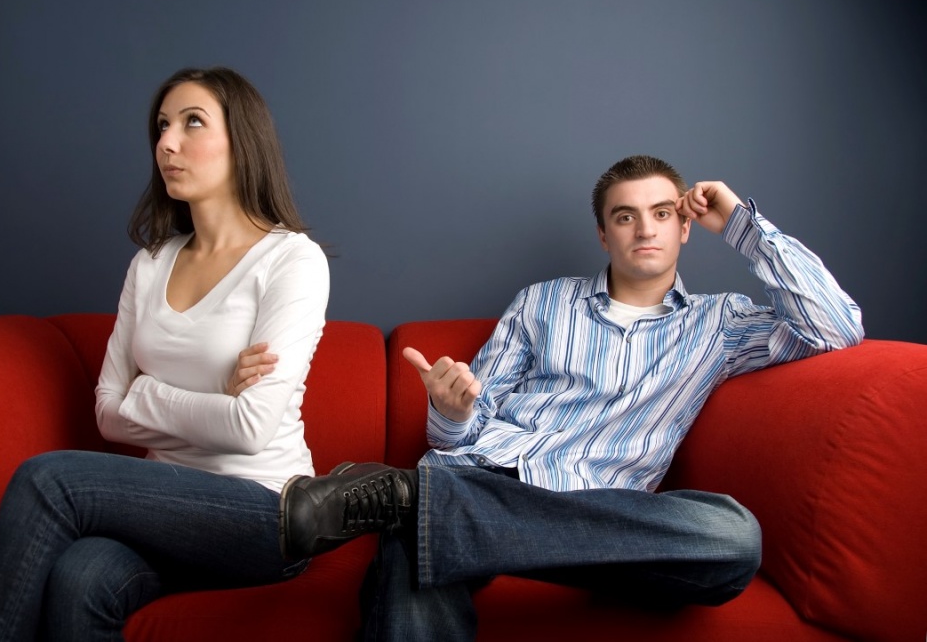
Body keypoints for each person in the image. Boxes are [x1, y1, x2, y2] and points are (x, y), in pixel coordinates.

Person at [277, 154, 864, 641]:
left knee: (732, 538)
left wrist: (738, 221)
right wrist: (453, 413)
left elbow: (836, 326)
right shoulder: (543, 301)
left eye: (662, 213)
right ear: (604, 233)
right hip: (482, 475)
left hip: (598, 517)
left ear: (685, 226)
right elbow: (463, 431)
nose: (645, 230)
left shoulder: (721, 322)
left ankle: (409, 500)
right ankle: (424, 506)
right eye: (626, 216)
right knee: (425, 535)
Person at [0, 67, 329, 641]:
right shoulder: (151, 263)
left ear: (243, 141)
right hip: (159, 508)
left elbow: (250, 428)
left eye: (192, 122)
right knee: (79, 578)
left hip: (265, 511)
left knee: (48, 480)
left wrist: (147, 392)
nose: (167, 143)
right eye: (162, 126)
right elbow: (107, 411)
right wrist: (215, 394)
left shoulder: (292, 261)